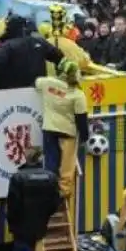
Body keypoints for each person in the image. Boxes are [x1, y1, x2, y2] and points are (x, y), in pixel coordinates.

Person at [35, 59, 88, 198]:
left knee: (51, 161)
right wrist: (85, 137)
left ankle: (48, 188)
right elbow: (81, 119)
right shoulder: (78, 95)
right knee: (67, 165)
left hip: (49, 128)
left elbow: (36, 83)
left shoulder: (48, 83)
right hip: (67, 132)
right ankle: (63, 192)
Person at [7, 147, 61, 251]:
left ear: (26, 158)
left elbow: (13, 206)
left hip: (21, 227)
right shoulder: (51, 177)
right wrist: (45, 216)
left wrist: (12, 224)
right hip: (41, 225)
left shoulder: (17, 178)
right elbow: (55, 203)